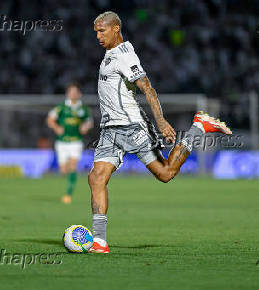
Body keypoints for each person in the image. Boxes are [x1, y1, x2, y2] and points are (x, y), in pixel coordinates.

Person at [89, 12, 232, 253]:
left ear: (115, 29)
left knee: (166, 173)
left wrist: (161, 121)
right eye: (96, 32)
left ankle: (199, 127)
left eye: (102, 31)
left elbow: (147, 88)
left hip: (132, 126)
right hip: (109, 130)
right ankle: (99, 241)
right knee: (96, 177)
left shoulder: (125, 55)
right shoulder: (109, 54)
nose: (98, 36)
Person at [47, 83, 93, 204]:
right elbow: (50, 119)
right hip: (62, 142)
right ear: (68, 94)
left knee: (72, 166)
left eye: (75, 92)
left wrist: (85, 126)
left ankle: (68, 194)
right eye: (71, 92)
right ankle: (69, 186)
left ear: (79, 94)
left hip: (75, 142)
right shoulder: (61, 107)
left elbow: (89, 121)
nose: (73, 94)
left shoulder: (83, 109)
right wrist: (56, 127)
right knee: (63, 170)